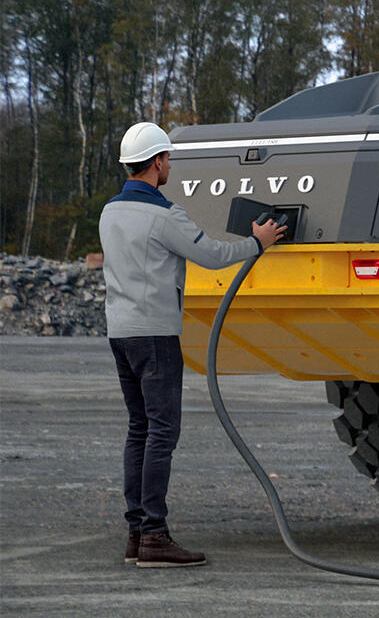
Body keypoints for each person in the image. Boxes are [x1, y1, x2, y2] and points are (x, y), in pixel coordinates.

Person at [100, 121, 285, 568]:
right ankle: (154, 536)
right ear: (157, 162)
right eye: (168, 159)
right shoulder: (164, 215)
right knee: (162, 432)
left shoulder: (110, 212)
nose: (170, 166)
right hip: (155, 335)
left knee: (140, 429)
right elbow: (213, 256)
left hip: (120, 333)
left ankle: (136, 534)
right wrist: (257, 242)